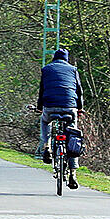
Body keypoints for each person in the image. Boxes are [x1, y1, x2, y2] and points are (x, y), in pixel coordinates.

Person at [36, 48, 83, 188]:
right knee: (73, 137)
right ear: (67, 59)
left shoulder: (46, 69)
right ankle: (73, 173)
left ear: (54, 58)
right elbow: (79, 91)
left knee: (45, 121)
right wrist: (79, 108)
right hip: (70, 107)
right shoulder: (73, 70)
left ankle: (47, 147)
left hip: (50, 106)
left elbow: (42, 90)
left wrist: (40, 107)